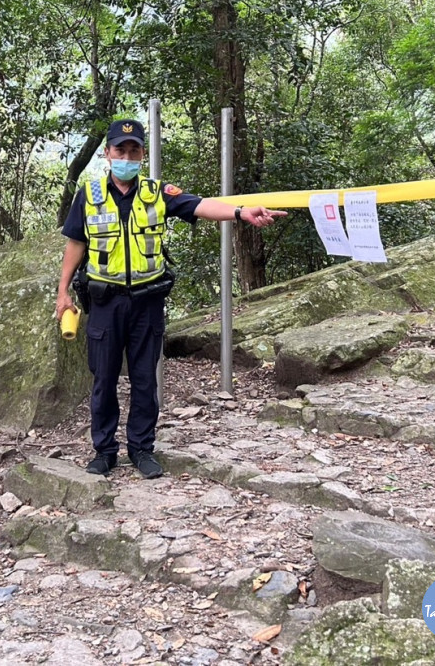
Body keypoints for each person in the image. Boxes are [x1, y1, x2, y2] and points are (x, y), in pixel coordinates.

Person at [55, 118, 287, 479]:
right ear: (107, 154)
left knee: (146, 379)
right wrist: (62, 292)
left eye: (134, 150)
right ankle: (104, 451)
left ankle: (142, 449)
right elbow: (76, 243)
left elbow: (200, 207)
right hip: (104, 302)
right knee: (103, 379)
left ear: (143, 155)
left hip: (147, 302)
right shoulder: (89, 194)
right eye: (121, 150)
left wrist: (242, 213)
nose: (127, 156)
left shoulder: (158, 192)